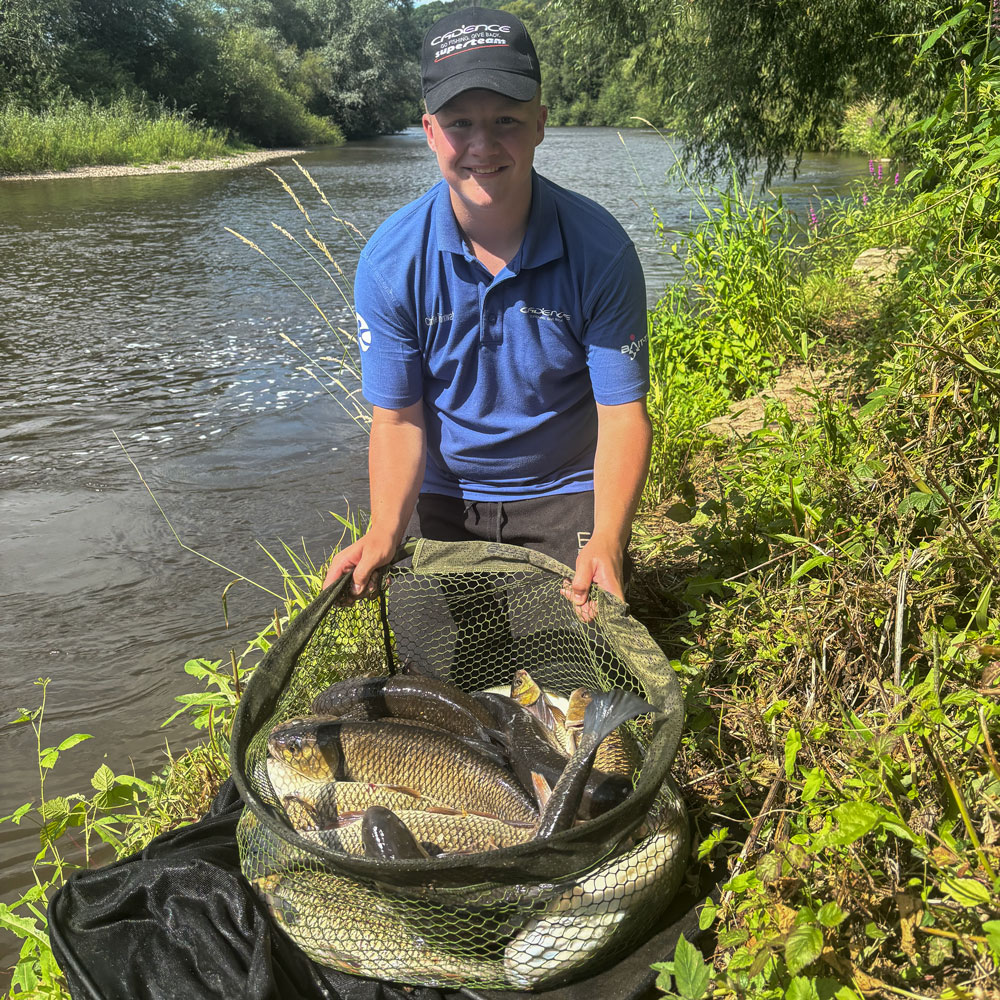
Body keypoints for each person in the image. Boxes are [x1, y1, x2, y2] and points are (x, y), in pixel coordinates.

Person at [323, 6, 651, 621]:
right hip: (446, 499)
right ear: (428, 130)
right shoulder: (391, 262)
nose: (481, 145)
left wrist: (609, 535)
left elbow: (622, 413)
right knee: (449, 688)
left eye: (505, 119)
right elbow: (396, 422)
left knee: (566, 692)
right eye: (459, 123)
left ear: (540, 124)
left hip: (567, 495)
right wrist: (385, 529)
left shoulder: (602, 251)